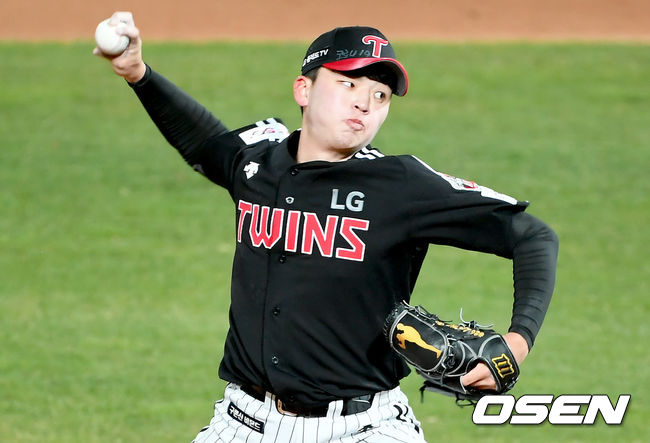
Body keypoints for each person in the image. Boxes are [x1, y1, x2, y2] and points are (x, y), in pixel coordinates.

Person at [96, 11, 559, 442]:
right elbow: (206, 142)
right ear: (304, 89)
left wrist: (518, 341)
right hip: (241, 423)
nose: (364, 104)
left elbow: (533, 236)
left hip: (363, 429)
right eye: (348, 84)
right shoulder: (260, 161)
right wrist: (139, 74)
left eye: (379, 96)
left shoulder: (399, 184)